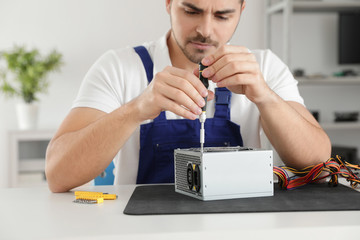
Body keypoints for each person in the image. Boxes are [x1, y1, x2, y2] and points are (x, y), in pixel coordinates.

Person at [45, 0, 331, 192]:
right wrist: (136, 109)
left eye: (222, 15)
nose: (205, 30)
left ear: (242, 9)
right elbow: (57, 175)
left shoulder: (265, 67)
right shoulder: (119, 67)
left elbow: (318, 164)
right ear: (169, 3)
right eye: (191, 11)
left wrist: (265, 97)